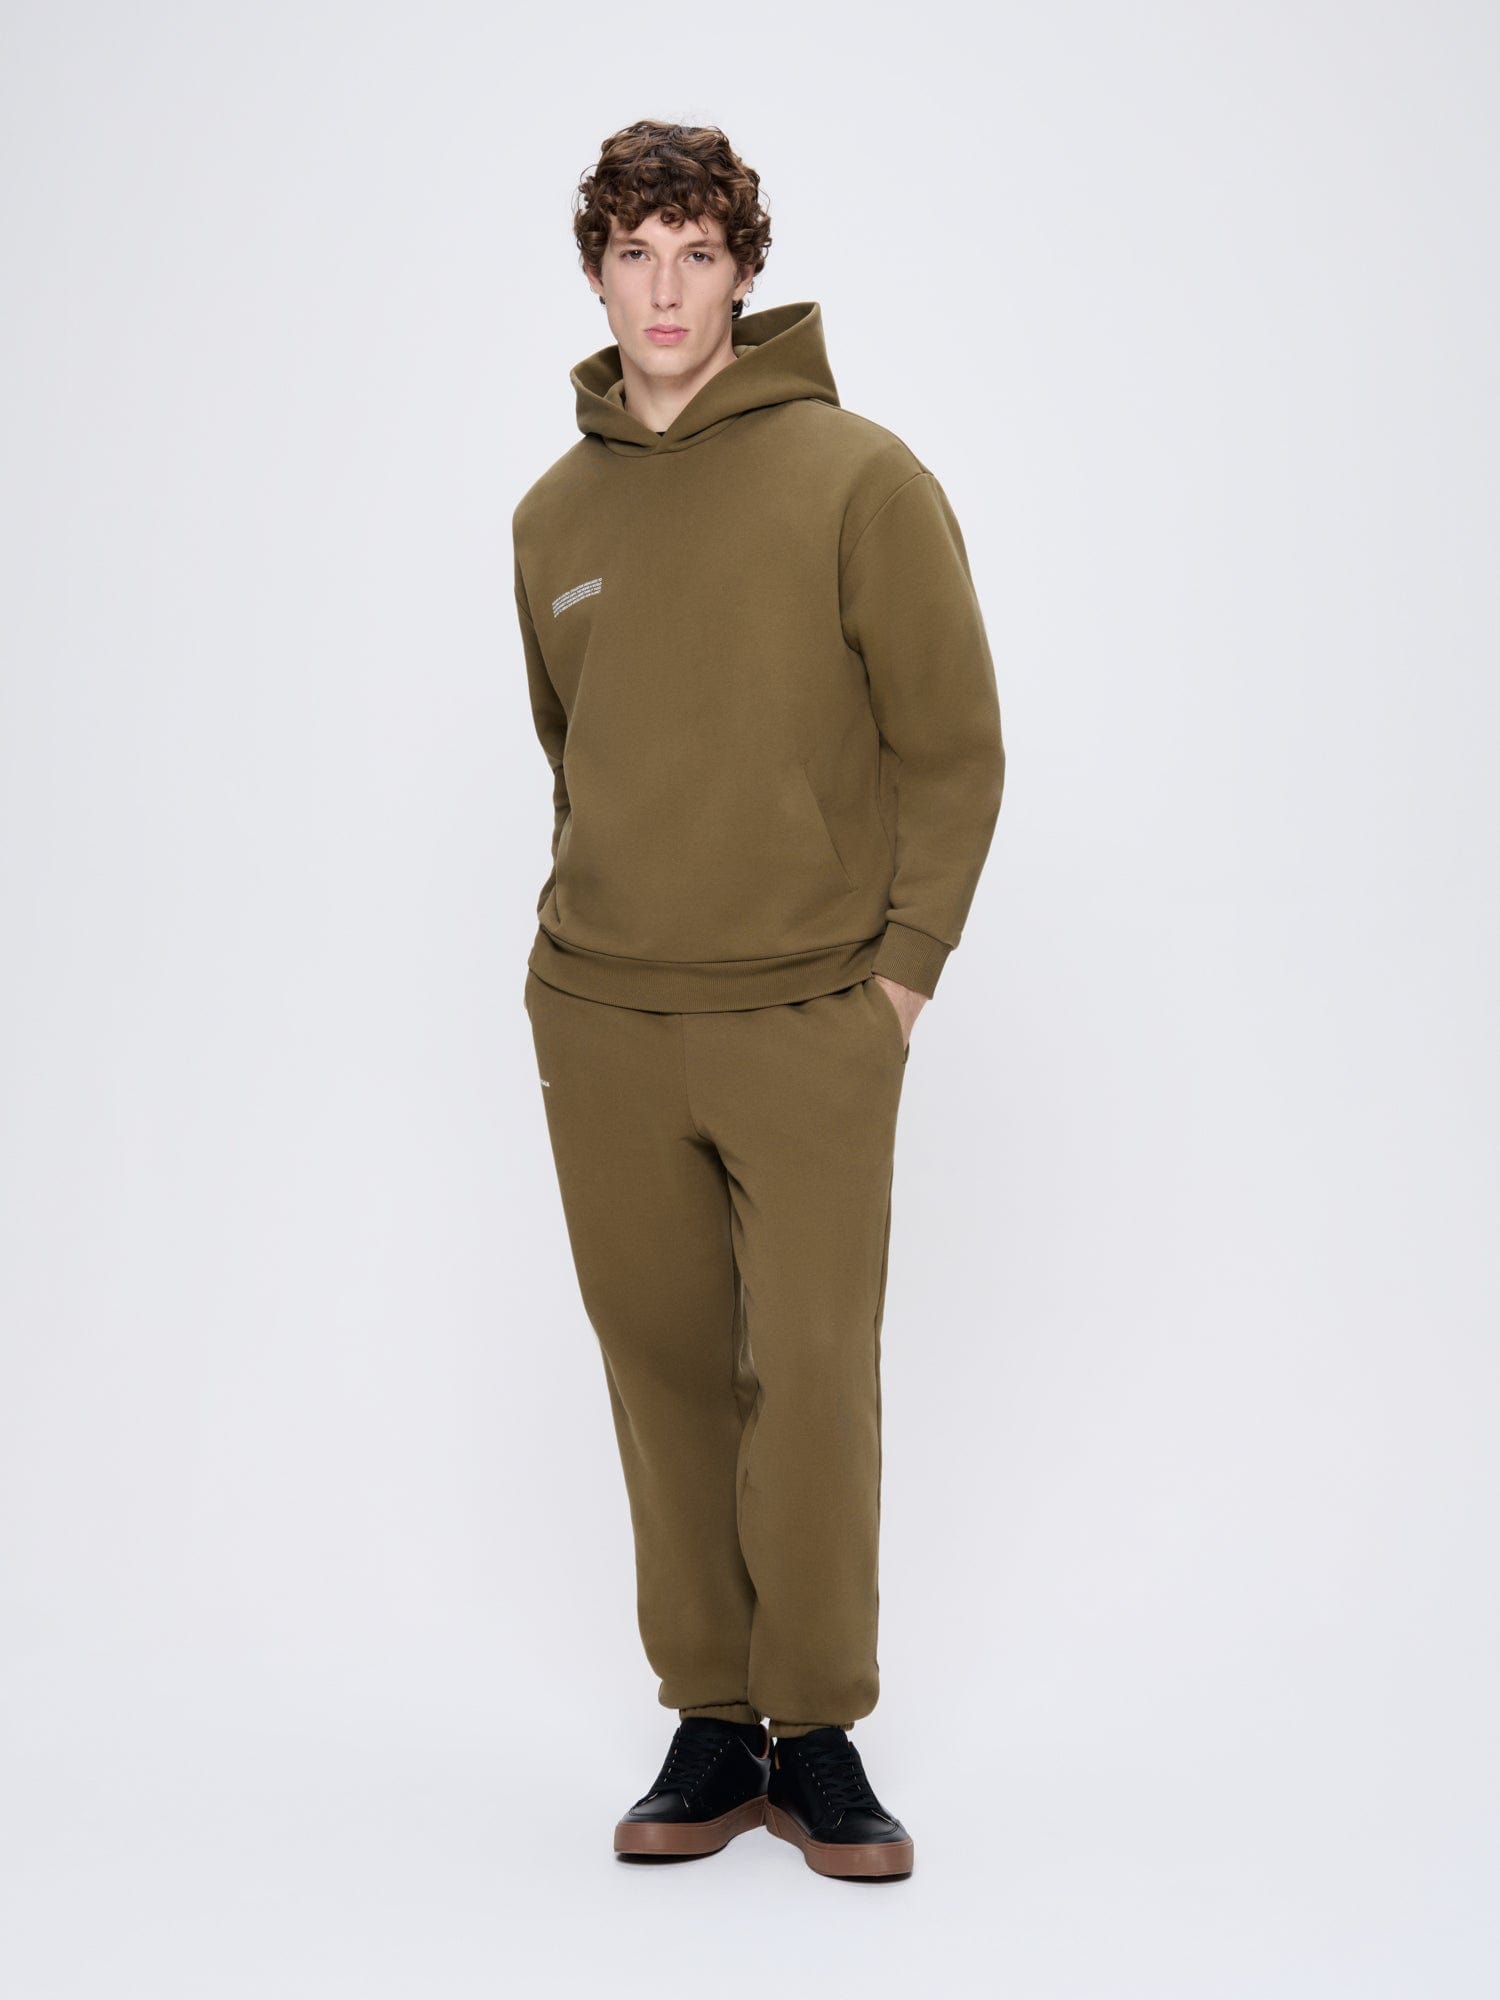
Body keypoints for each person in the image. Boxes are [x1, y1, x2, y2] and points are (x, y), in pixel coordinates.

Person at [512, 119, 1005, 1880]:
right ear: (597, 275)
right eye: (636, 254)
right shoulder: (552, 515)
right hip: (603, 1017)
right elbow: (575, 755)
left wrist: (899, 979)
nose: (666, 288)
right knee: (661, 1374)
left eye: (698, 253)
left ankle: (823, 1732)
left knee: (809, 1373)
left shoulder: (859, 478)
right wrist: (576, 966)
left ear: (742, 274)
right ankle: (714, 1722)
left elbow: (953, 747)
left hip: (809, 1017)